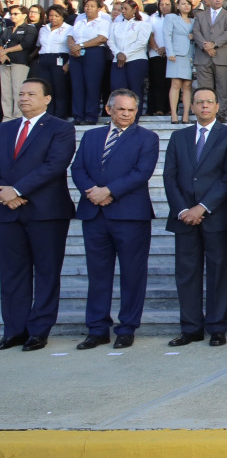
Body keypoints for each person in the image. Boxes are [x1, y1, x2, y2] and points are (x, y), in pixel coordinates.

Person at [69, 89, 159, 349]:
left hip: (130, 216)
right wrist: (92, 192)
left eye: (131, 110)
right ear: (109, 110)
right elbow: (77, 168)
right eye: (121, 109)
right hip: (95, 214)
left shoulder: (147, 138)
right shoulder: (91, 136)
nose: (127, 114)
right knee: (98, 275)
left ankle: (127, 328)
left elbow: (142, 172)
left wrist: (108, 191)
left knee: (132, 274)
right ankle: (97, 329)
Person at [0, 78, 76, 352]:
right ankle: (14, 330)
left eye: (31, 94)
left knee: (46, 273)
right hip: (7, 212)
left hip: (46, 213)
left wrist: (17, 190)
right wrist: (4, 192)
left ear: (46, 99)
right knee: (11, 274)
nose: (24, 98)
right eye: (21, 94)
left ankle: (38, 330)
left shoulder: (61, 128)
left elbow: (55, 165)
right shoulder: (5, 128)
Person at [162, 87, 227, 347]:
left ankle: (217, 328)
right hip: (184, 217)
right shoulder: (179, 137)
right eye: (199, 102)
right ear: (192, 107)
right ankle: (191, 328)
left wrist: (203, 207)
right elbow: (170, 177)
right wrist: (183, 210)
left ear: (217, 106)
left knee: (218, 273)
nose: (204, 106)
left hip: (215, 217)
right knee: (186, 274)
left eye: (209, 102)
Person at [192, 0, 227, 120]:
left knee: (223, 90)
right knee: (205, 91)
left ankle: (221, 115)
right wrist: (206, 47)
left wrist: (214, 44)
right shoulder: (200, 15)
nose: (218, 0)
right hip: (203, 57)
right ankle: (206, 116)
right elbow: (196, 32)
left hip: (223, 58)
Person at [67, 0, 111, 125]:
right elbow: (70, 36)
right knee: (77, 86)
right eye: (86, 6)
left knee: (92, 85)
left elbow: (101, 38)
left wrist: (80, 45)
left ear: (99, 8)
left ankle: (91, 115)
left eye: (92, 6)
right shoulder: (79, 21)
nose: (88, 8)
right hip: (76, 54)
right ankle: (78, 116)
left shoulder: (103, 21)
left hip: (94, 53)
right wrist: (73, 47)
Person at [0, 5, 38, 121]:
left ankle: (18, 117)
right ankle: (7, 117)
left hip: (19, 62)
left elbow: (25, 44)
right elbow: (1, 42)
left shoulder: (29, 29)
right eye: (11, 14)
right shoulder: (8, 29)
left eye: (16, 14)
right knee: (5, 92)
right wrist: (3, 53)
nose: (13, 16)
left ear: (24, 15)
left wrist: (6, 51)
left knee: (18, 90)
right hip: (4, 62)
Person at [36, 6, 73, 120]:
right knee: (46, 89)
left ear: (63, 17)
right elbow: (39, 45)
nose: (53, 18)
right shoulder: (44, 29)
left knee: (60, 89)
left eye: (57, 16)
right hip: (44, 59)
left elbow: (72, 47)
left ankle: (60, 116)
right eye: (51, 15)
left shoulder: (69, 29)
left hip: (60, 58)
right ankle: (48, 115)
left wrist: (68, 63)